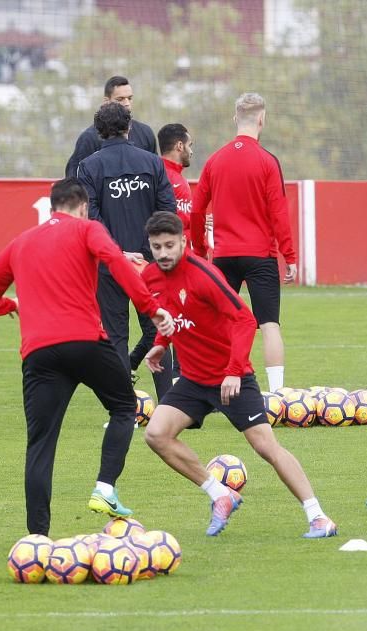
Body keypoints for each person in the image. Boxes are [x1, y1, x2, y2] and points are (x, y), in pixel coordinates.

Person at [0, 178, 173, 536]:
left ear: (51, 208)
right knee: (125, 407)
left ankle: (37, 537)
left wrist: (9, 305)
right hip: (85, 342)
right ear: (82, 208)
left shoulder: (22, 241)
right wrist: (150, 306)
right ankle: (105, 488)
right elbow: (113, 259)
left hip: (39, 353)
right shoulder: (87, 229)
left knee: (41, 444)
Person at [141, 211, 337, 539]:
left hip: (232, 378)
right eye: (156, 246)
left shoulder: (204, 274)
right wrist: (161, 343)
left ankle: (318, 516)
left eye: (169, 245)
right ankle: (221, 494)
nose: (163, 253)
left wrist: (233, 371)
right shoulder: (150, 276)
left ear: (183, 242)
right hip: (193, 379)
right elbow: (170, 314)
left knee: (266, 447)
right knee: (156, 434)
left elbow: (245, 320)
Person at [189, 92, 296, 393]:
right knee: (269, 325)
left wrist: (199, 249)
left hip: (223, 256)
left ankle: (212, 388)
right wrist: (289, 255)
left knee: (220, 325)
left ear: (235, 118)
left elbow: (197, 210)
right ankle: (276, 395)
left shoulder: (214, 161)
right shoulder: (267, 161)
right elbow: (279, 213)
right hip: (259, 254)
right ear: (263, 118)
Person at [77, 102, 176, 401]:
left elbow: (90, 217)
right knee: (159, 328)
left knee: (115, 335)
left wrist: (116, 253)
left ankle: (124, 407)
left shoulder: (89, 166)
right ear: (129, 127)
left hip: (110, 265)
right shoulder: (152, 162)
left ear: (98, 132)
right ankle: (169, 404)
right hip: (151, 262)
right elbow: (168, 211)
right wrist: (152, 251)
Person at [127, 122, 194, 381]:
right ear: (179, 146)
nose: (191, 151)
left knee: (174, 322)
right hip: (166, 266)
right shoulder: (162, 176)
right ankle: (180, 381)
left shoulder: (176, 177)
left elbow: (183, 219)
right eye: (190, 145)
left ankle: (178, 378)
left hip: (182, 262)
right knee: (167, 322)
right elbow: (165, 223)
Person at [64, 75, 157, 178]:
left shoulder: (145, 132)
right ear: (106, 102)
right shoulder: (89, 138)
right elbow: (74, 180)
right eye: (120, 99)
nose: (127, 103)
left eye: (130, 98)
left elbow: (156, 173)